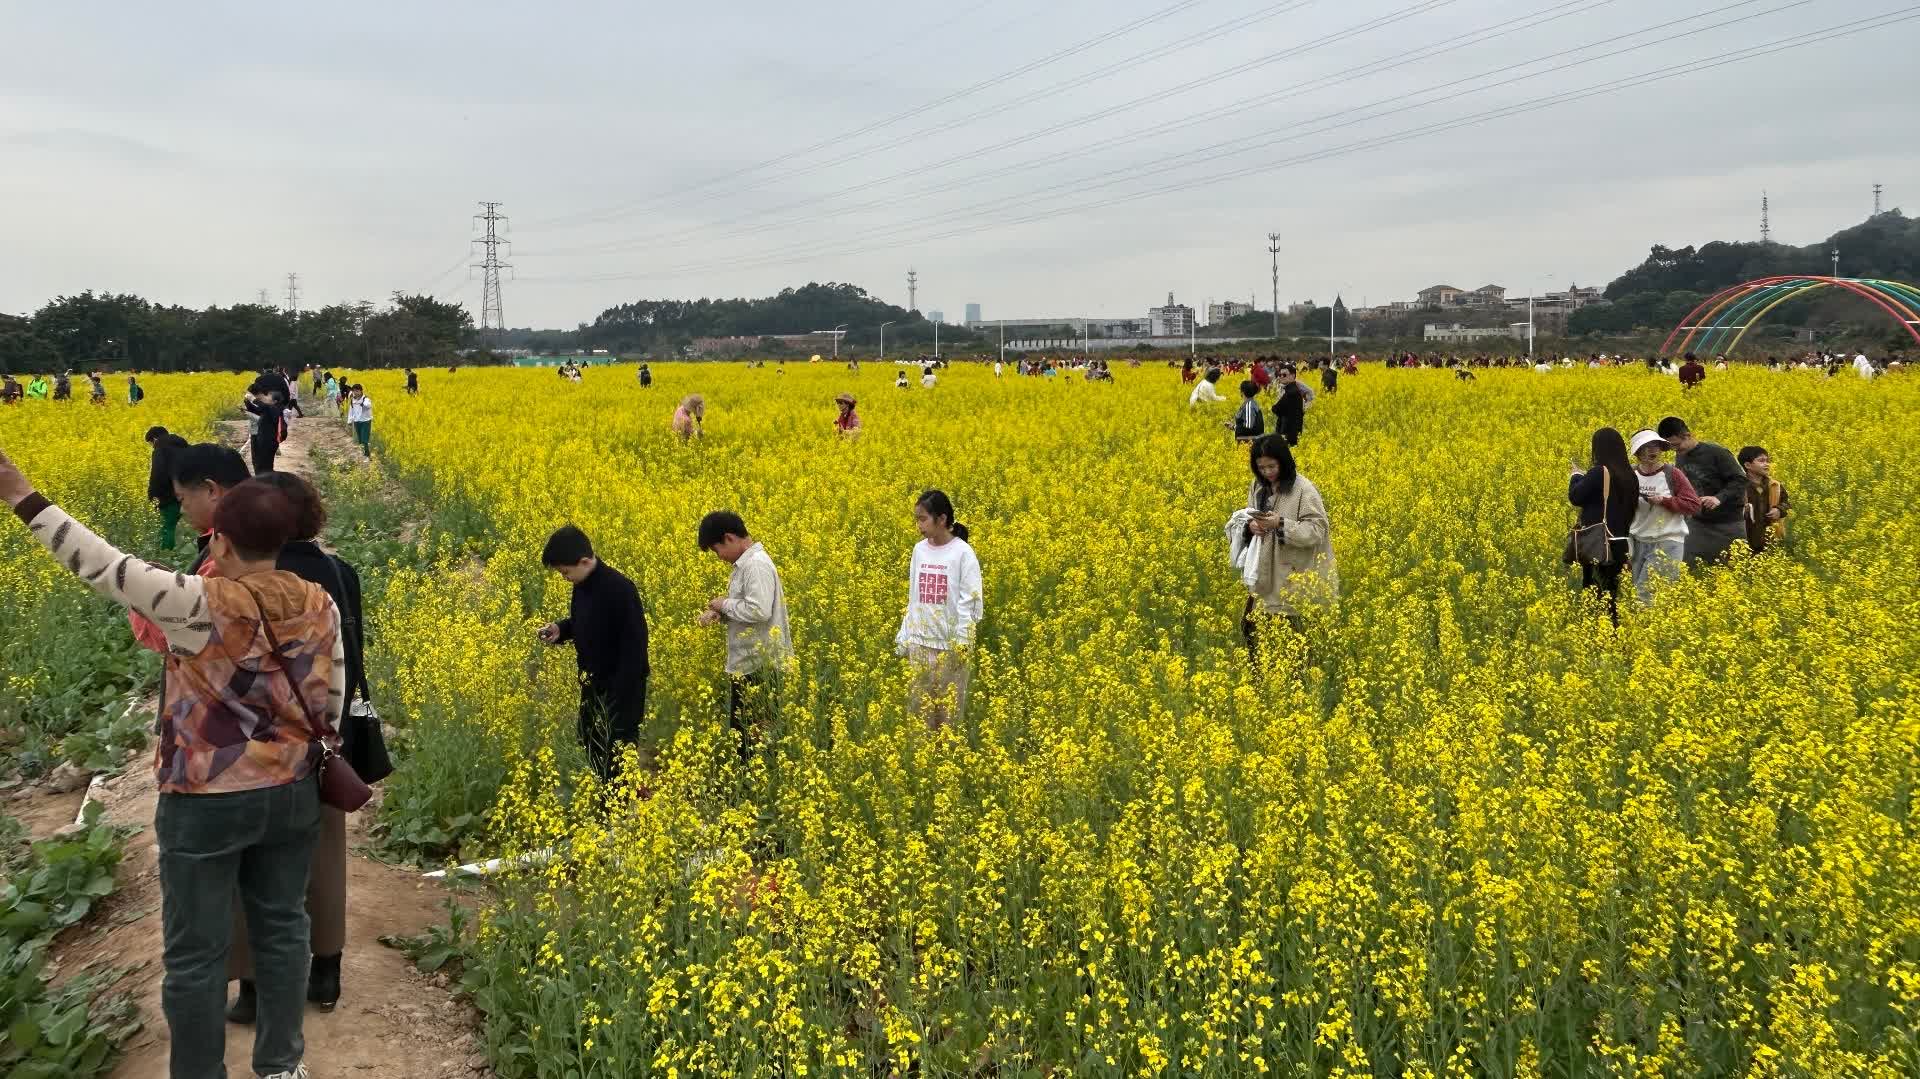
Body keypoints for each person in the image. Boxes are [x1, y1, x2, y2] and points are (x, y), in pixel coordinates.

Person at [0, 454, 341, 1079]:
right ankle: (282, 1066)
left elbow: (98, 562)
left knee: (196, 954)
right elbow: (331, 700)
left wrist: (19, 492)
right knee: (285, 929)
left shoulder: (196, 603)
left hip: (204, 799)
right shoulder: (319, 601)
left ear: (223, 538)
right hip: (291, 791)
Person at [226, 472, 379, 1024]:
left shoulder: (242, 579)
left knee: (251, 866)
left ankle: (254, 988)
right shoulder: (340, 572)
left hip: (250, 748)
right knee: (323, 857)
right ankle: (326, 972)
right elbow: (353, 656)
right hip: (324, 741)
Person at [537, 526, 651, 782]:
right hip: (594, 681)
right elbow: (586, 621)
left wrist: (617, 698)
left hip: (622, 688)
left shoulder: (619, 589)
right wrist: (561, 629)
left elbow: (636, 646)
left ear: (585, 561)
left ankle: (618, 811)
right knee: (589, 738)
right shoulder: (583, 583)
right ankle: (606, 796)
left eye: (565, 572)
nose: (565, 577)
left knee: (617, 749)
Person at [696, 512, 793, 759]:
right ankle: (748, 788)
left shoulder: (755, 565)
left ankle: (754, 791)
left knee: (754, 741)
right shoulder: (745, 565)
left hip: (761, 666)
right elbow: (748, 608)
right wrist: (722, 613)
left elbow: (759, 610)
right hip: (751, 664)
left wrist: (724, 604)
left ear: (729, 538)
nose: (720, 558)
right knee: (746, 738)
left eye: (718, 551)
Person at [1234, 435, 1335, 666]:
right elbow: (1249, 515)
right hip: (1264, 569)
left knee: (1293, 631)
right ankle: (1266, 678)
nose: (1267, 472)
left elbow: (1317, 529)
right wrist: (1251, 527)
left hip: (1293, 572)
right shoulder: (1257, 486)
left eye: (1272, 466)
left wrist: (1281, 524)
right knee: (1256, 630)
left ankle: (1299, 677)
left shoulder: (1303, 489)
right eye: (1261, 467)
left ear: (1284, 461)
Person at [894, 491, 983, 730]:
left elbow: (972, 603)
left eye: (922, 519)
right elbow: (914, 596)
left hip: (951, 646)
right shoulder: (919, 550)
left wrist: (961, 644)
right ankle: (923, 765)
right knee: (920, 715)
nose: (918, 525)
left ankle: (947, 764)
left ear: (941, 519)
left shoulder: (963, 553)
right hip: (921, 644)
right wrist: (906, 634)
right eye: (916, 519)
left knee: (948, 718)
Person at [1567, 427, 1638, 623]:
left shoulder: (1600, 472)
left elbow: (1576, 496)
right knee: (1613, 593)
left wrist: (1576, 476)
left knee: (1595, 592)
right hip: (1622, 543)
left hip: (1600, 542)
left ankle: (1602, 636)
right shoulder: (1630, 475)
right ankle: (1615, 635)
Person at [1656, 416, 1746, 566]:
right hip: (1698, 523)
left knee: (1733, 569)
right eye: (1671, 447)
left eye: (1677, 445)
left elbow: (1740, 480)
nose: (1675, 450)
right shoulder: (1681, 456)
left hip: (1728, 523)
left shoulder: (1717, 453)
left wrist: (1718, 498)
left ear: (1687, 435)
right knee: (1687, 566)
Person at [1625, 429, 1701, 605]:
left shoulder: (1672, 474)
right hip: (1637, 541)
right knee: (1639, 593)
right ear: (1637, 452)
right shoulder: (1631, 474)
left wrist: (1664, 501)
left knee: (1645, 597)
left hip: (1667, 540)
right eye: (1646, 447)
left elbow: (1693, 505)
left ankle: (1646, 631)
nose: (1653, 451)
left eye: (1656, 446)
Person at [144, 426, 190, 550]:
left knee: (167, 527)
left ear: (154, 439)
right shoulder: (183, 445)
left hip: (168, 495)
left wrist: (152, 495)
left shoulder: (160, 451)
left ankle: (166, 554)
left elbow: (157, 475)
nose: (152, 446)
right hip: (189, 492)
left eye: (151, 443)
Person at [1739, 446, 1791, 553]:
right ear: (1747, 465)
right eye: (1761, 461)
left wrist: (1779, 510)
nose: (1767, 464)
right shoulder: (1739, 486)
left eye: (1768, 461)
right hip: (1745, 537)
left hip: (1769, 537)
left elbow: (1786, 503)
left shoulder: (1774, 485)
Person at [243, 386, 287, 475]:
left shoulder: (276, 409)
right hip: (263, 440)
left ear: (275, 401)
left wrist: (253, 399)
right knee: (259, 464)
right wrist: (247, 401)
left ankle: (266, 483)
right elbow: (256, 409)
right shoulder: (269, 409)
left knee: (265, 466)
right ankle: (262, 482)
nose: (266, 397)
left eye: (268, 396)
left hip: (269, 442)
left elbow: (263, 406)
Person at [1271, 365, 1307, 446]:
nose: (1281, 377)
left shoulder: (1291, 392)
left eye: (1284, 375)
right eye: (1280, 375)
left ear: (1293, 376)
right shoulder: (1292, 390)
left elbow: (1275, 409)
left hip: (1288, 433)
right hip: (1291, 432)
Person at [346, 384, 373, 459]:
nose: (355, 393)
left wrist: (362, 402)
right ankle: (365, 449)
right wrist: (350, 421)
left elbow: (368, 406)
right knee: (360, 440)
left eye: (357, 391)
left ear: (361, 391)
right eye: (354, 391)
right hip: (357, 421)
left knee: (364, 439)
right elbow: (351, 411)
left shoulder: (366, 399)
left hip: (365, 421)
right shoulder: (353, 400)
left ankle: (367, 455)